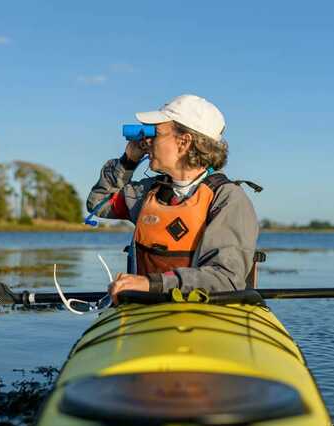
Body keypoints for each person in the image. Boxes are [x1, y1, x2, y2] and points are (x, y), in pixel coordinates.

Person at [86, 94, 259, 303]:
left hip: (206, 308)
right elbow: (98, 204)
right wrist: (127, 161)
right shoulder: (147, 193)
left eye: (155, 133)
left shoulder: (227, 199)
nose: (147, 142)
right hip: (146, 308)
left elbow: (227, 278)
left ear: (184, 142)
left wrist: (152, 284)